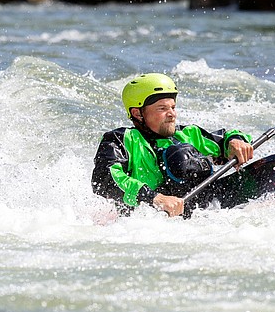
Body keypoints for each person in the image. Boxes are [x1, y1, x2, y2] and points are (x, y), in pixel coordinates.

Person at [91, 73, 256, 217]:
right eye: (162, 108)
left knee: (182, 152)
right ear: (137, 113)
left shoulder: (187, 134)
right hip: (148, 216)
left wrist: (236, 141)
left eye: (173, 107)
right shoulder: (119, 140)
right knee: (179, 155)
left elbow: (224, 138)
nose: (172, 114)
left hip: (201, 208)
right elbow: (104, 179)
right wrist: (154, 198)